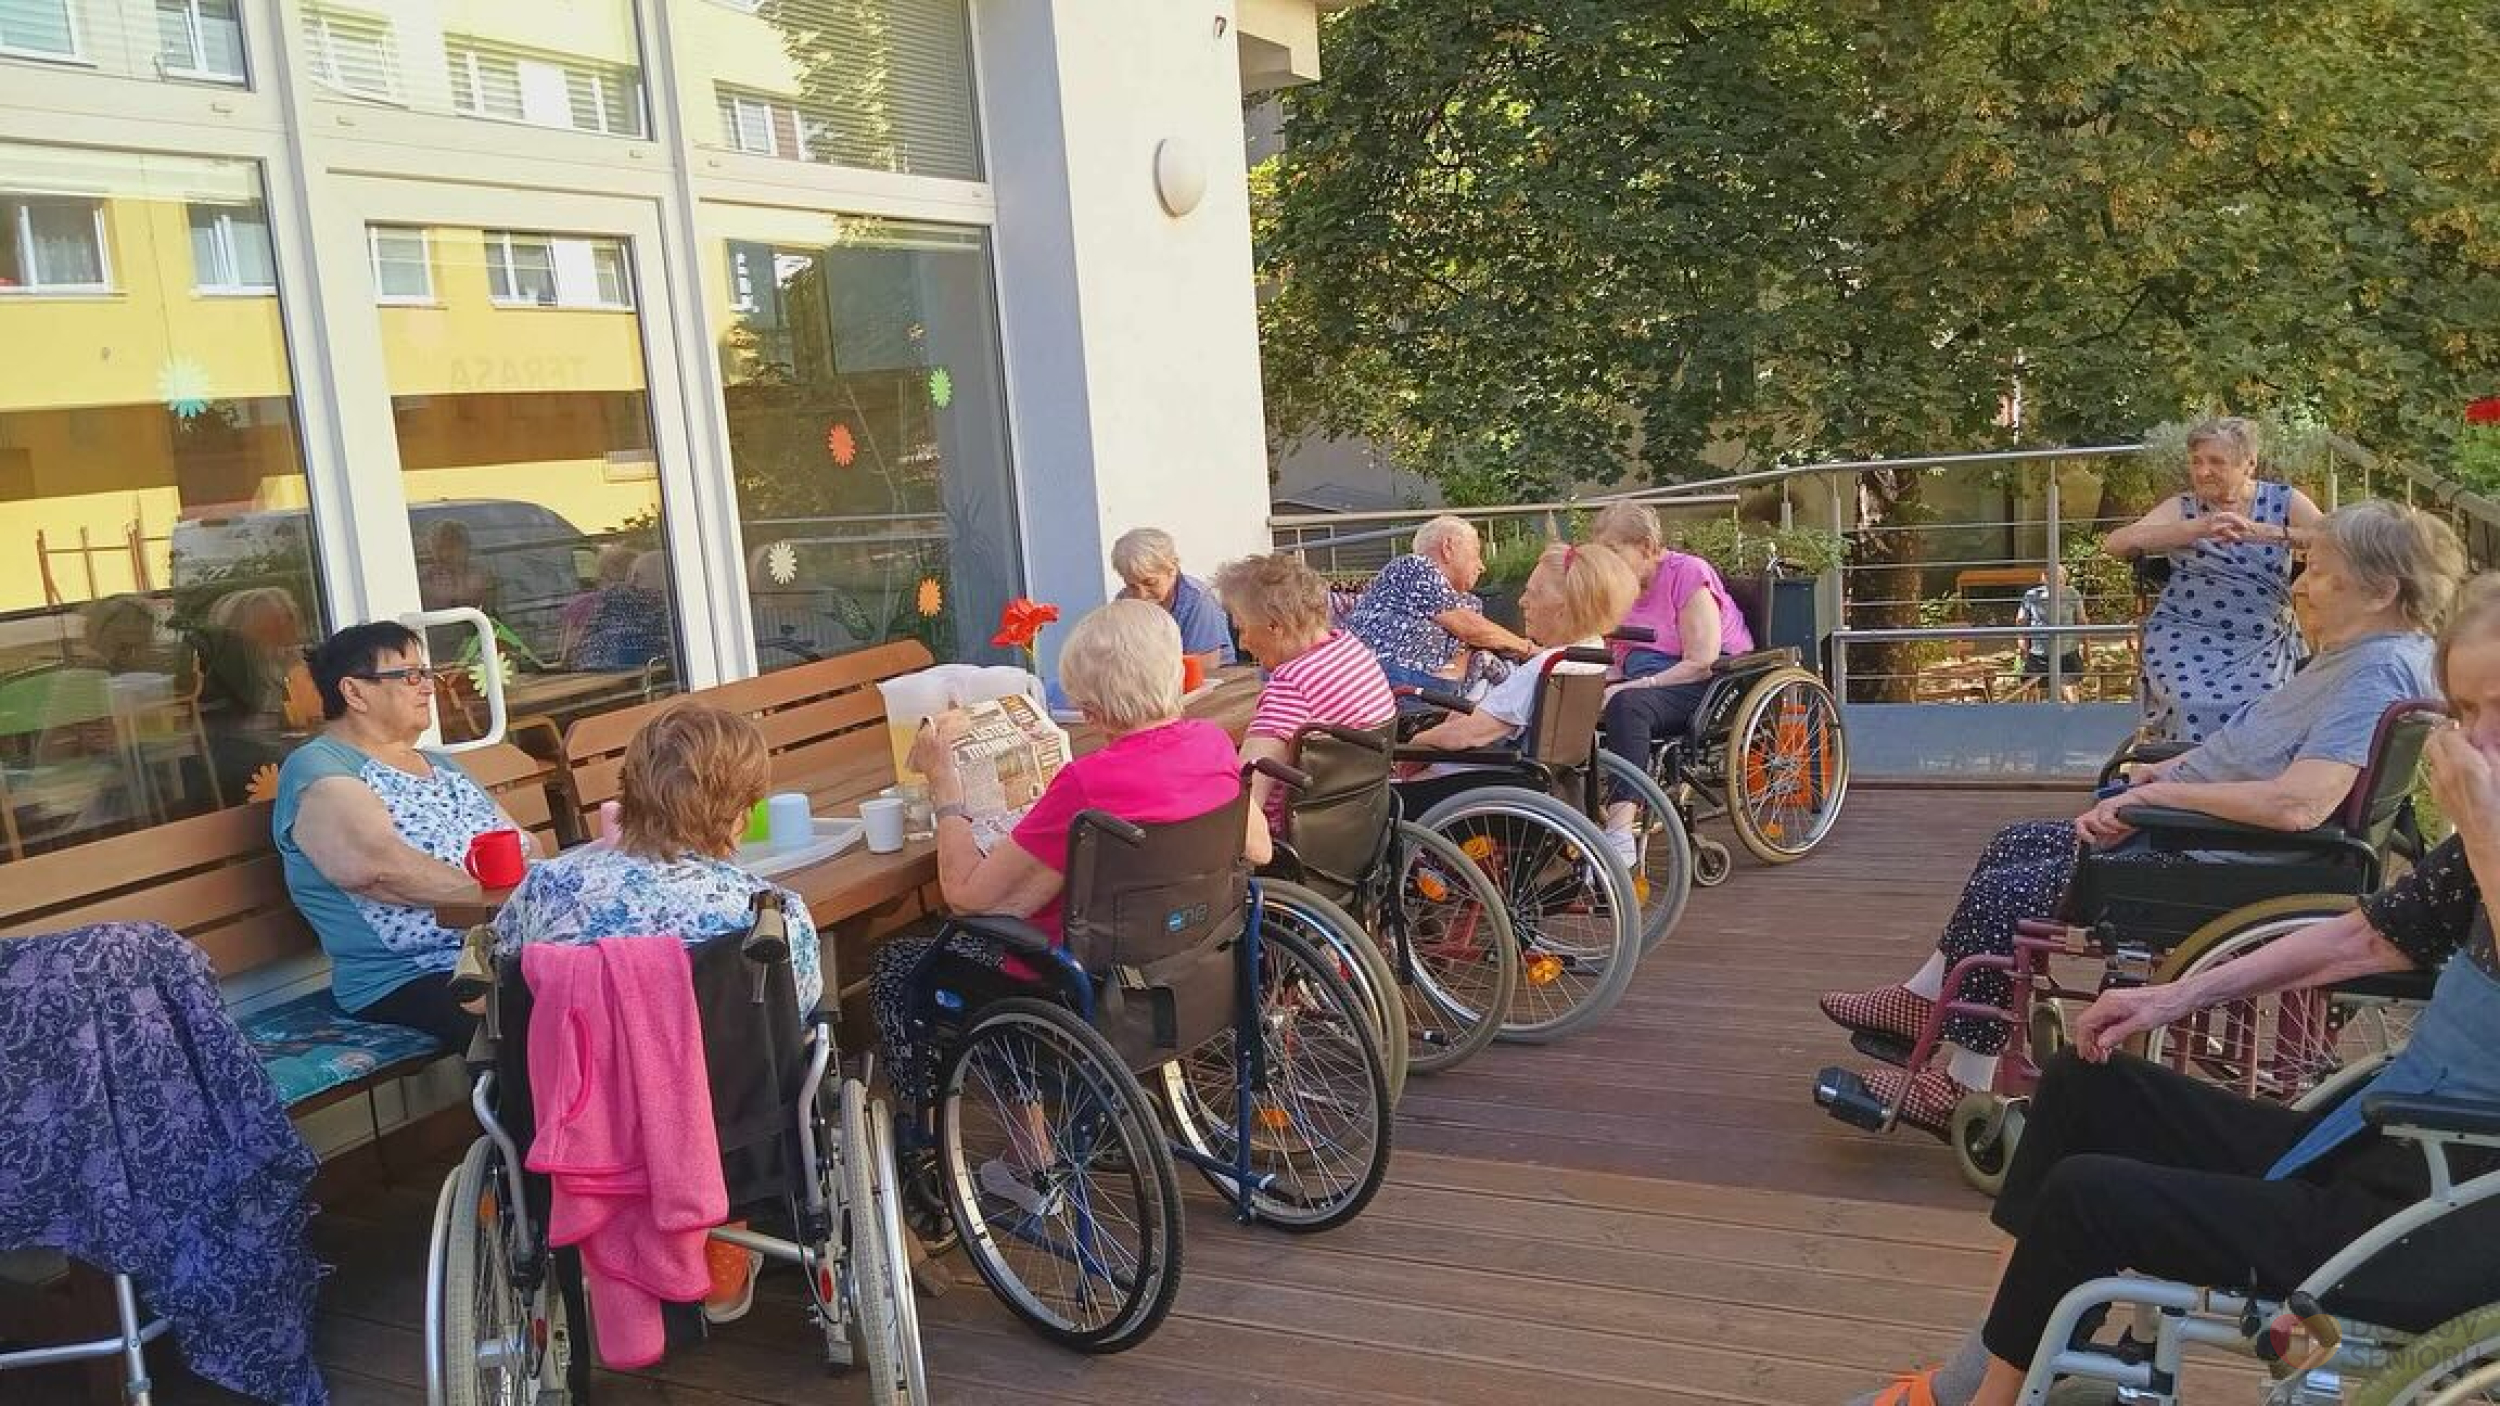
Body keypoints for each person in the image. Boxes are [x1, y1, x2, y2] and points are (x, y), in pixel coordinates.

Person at [1845, 576, 2500, 1406]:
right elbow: (2364, 937)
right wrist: (2170, 998)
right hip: (2375, 1153)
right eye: (2465, 712)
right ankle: (2017, 1361)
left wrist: (2482, 828)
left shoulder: (2489, 835)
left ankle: (1985, 1397)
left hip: (2441, 1219)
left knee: (2089, 1197)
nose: (2478, 741)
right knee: (2084, 1086)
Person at [1819, 501, 2467, 1135]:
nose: (2299, 585)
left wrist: (2159, 800)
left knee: (2010, 892)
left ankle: (1963, 1079)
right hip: (2216, 835)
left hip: (2231, 854)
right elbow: (2257, 752)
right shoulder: (2365, 656)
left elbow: (2299, 803)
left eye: (2319, 571)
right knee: (2015, 842)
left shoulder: (2377, 672)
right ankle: (1922, 1000)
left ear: (2381, 590)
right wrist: (2170, 771)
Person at [866, 599, 1270, 1115]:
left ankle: (963, 1137)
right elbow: (1259, 848)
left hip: (1083, 985)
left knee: (899, 964)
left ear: (1092, 709)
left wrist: (946, 788)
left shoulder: (1086, 783)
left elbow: (967, 897)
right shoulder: (1212, 745)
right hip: (1195, 965)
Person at [491, 701, 819, 1327]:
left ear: (631, 789)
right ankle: (722, 1243)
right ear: (740, 812)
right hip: (723, 1130)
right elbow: (796, 1014)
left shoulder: (547, 887)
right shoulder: (765, 912)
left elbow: (506, 984)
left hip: (576, 1128)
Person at [273, 622, 538, 1052]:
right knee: (535, 1014)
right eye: (410, 676)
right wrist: (505, 898)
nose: (429, 687)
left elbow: (524, 844)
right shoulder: (319, 768)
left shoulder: (439, 764)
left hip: (496, 949)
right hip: (409, 974)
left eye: (426, 674)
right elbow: (378, 870)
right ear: (354, 692)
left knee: (615, 972)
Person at [1395, 542, 1641, 836]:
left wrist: (1416, 744)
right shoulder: (1589, 652)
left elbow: (1467, 734)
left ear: (1564, 607)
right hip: (1549, 782)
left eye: (1533, 593)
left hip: (1491, 787)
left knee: (1386, 799)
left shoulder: (1545, 667)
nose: (1522, 601)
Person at [2105, 416, 2324, 743]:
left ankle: (2248, 774)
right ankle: (2184, 772)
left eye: (2216, 462)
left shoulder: (2283, 500)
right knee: (2188, 702)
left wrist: (2266, 532)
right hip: (2185, 631)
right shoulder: (2183, 507)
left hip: (2260, 636)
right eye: (2196, 461)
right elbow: (2116, 544)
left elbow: (2339, 538)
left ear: (2249, 464)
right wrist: (2194, 529)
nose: (2203, 471)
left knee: (2262, 707)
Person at [1586, 502, 1756, 859]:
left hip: (1709, 682)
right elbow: (1616, 656)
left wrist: (1628, 687)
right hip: (1641, 678)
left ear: (1647, 547)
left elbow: (1701, 662)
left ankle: (1619, 835)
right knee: (1567, 698)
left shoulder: (1688, 573)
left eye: (1615, 552)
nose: (1608, 564)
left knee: (1627, 705)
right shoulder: (1620, 587)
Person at [1214, 552, 1397, 833]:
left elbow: (1245, 800)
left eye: (1242, 628)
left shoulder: (1292, 685)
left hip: (1288, 837)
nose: (1242, 643)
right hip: (1359, 821)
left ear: (1274, 626)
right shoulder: (1352, 651)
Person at [1344, 516, 1539, 692]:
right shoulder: (1414, 567)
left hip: (1428, 686)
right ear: (1448, 548)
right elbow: (1470, 629)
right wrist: (1530, 650)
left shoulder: (1466, 601)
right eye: (1476, 553)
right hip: (1388, 678)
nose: (1482, 566)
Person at [1111, 527, 1235, 668]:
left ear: (1172, 569)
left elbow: (1205, 666)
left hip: (1214, 677)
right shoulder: (1124, 601)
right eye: (1132, 586)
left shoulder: (1198, 600)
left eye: (1150, 583)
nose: (1141, 595)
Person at [2014, 564, 2088, 703]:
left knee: (2070, 692)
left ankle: (2073, 714)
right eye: (2051, 579)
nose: (2056, 584)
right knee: (2030, 691)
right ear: (2044, 580)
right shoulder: (2032, 595)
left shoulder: (2072, 594)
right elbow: (2021, 621)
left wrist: (2086, 647)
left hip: (2067, 652)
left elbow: (2082, 622)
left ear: (2065, 579)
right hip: (2039, 653)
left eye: (2060, 580)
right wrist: (2022, 645)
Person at [558, 544, 638, 665]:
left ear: (601, 575)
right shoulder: (647, 604)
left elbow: (567, 654)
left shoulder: (581, 605)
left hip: (596, 670)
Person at [417, 518, 499, 616]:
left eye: (452, 546)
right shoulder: (424, 582)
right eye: (439, 547)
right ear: (431, 549)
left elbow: (491, 613)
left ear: (466, 547)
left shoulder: (483, 577)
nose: (445, 554)